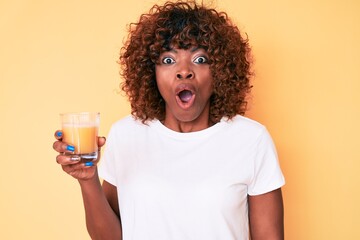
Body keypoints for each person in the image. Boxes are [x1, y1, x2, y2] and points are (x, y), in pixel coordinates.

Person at [53, 1, 285, 239]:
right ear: (149, 72)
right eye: (168, 60)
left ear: (221, 72)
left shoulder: (251, 140)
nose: (184, 70)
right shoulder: (125, 134)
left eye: (200, 59)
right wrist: (88, 180)